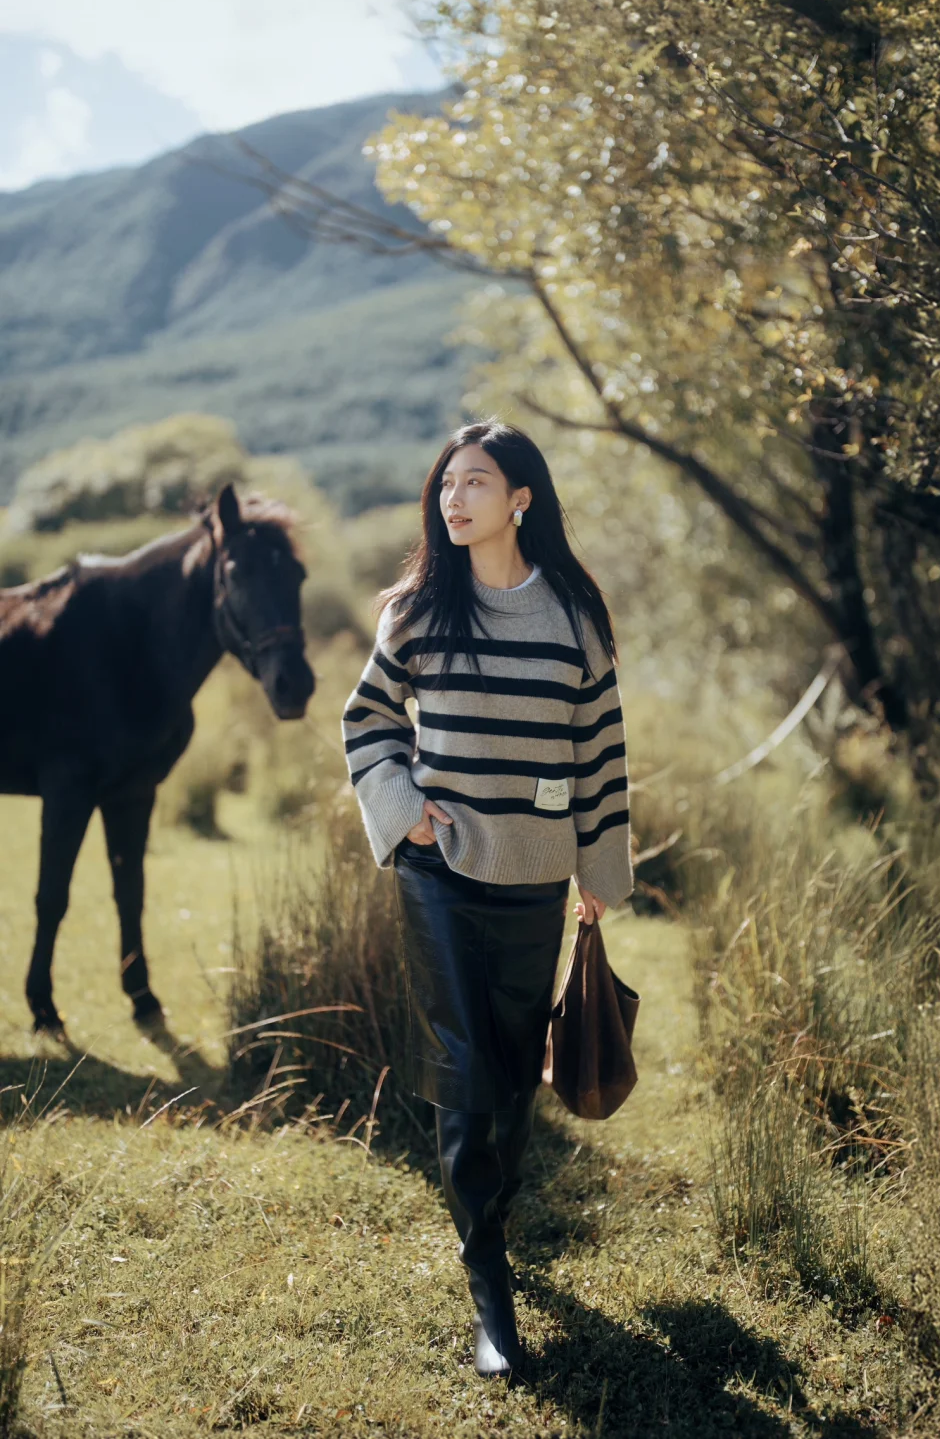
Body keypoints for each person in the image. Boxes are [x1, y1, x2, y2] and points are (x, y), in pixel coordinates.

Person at [341, 418, 633, 1377]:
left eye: (473, 483)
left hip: (535, 880)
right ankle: (491, 1293)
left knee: (511, 1077)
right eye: (445, 485)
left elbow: (600, 758)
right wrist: (405, 811)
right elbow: (368, 721)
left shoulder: (573, 618)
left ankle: (492, 1217)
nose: (452, 500)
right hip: (438, 875)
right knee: (466, 1069)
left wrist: (598, 880)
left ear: (521, 498)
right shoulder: (420, 608)